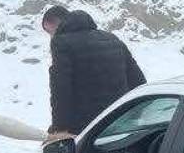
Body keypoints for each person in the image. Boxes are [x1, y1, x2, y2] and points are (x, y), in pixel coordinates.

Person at [45, 7, 146, 139]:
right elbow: (138, 81)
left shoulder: (61, 43)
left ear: (58, 23)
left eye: (48, 30)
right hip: (121, 122)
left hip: (88, 128)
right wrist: (134, 116)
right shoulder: (112, 38)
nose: (50, 35)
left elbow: (61, 89)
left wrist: (59, 128)